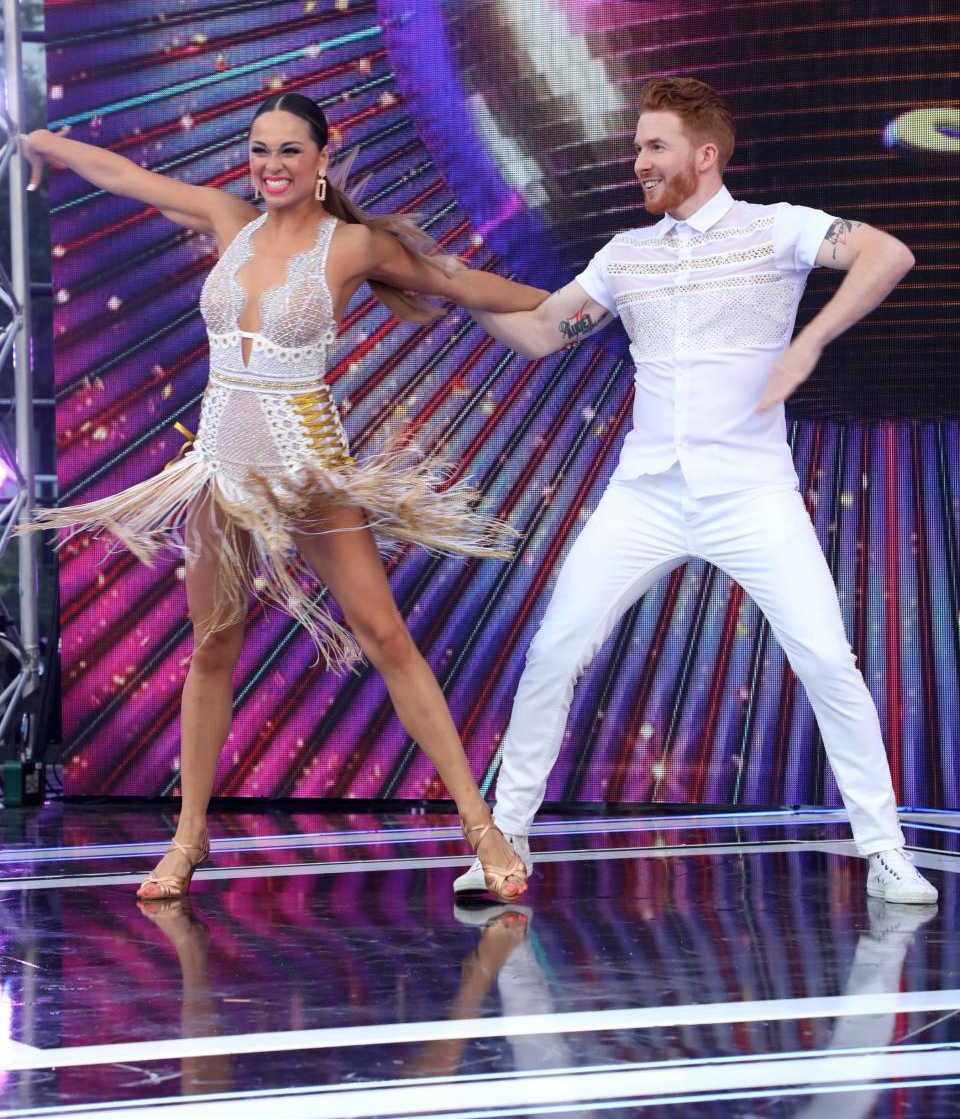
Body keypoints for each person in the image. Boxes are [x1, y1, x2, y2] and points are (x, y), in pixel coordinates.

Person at [22, 92, 545, 903]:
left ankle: (482, 826)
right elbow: (126, 176)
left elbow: (462, 283)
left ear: (322, 157)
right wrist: (47, 139)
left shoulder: (353, 245)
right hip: (219, 467)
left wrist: (583, 301)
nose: (270, 165)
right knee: (213, 648)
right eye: (259, 149)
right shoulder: (229, 220)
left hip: (305, 467)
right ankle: (188, 836)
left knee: (386, 636)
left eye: (289, 151)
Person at [455, 76, 938, 906]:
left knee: (827, 658)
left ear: (703, 156)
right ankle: (506, 841)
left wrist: (812, 342)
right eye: (638, 145)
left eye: (654, 147)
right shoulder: (625, 254)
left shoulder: (776, 229)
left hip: (751, 493)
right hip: (644, 494)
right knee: (554, 653)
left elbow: (888, 252)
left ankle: (886, 849)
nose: (637, 160)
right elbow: (540, 332)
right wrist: (450, 287)